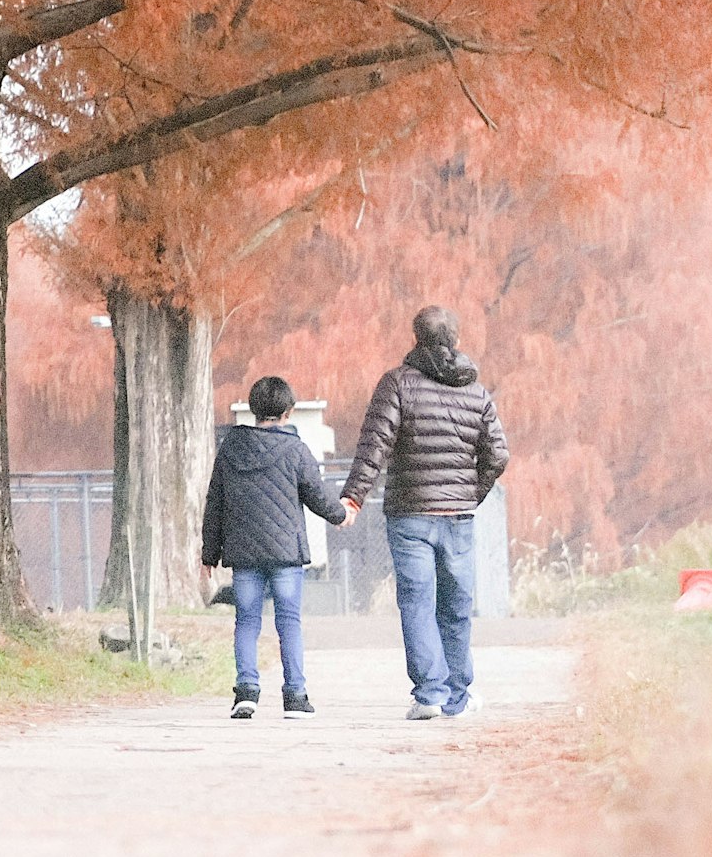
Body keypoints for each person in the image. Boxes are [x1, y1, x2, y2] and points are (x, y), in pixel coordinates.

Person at [342, 304, 512, 720]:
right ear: (457, 340)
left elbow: (374, 447)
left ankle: (430, 695)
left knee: (417, 602)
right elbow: (498, 455)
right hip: (458, 517)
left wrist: (353, 497)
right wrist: (471, 493)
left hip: (410, 514)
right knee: (455, 605)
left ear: (415, 338)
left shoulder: (397, 384)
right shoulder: (477, 392)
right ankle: (458, 695)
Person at [200, 375, 351, 718]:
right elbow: (316, 496)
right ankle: (295, 696)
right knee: (289, 622)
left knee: (247, 621)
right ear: (288, 412)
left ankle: (246, 692)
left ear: (253, 410)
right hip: (285, 554)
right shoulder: (295, 450)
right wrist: (341, 514)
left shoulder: (231, 447)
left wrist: (209, 554)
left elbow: (216, 503)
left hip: (244, 554)